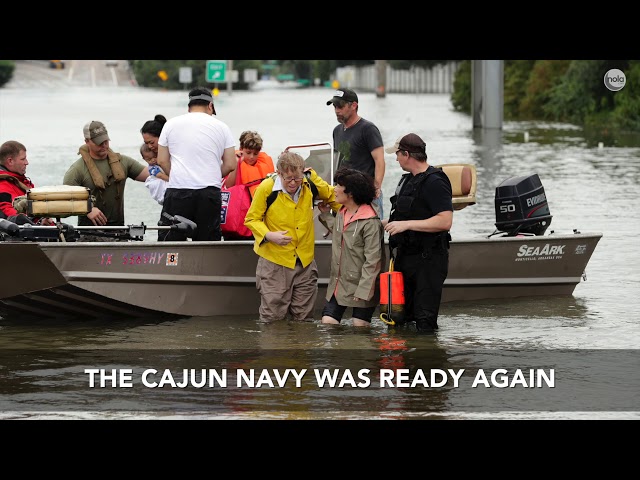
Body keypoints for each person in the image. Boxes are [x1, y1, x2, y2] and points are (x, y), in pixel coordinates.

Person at [244, 151, 340, 323]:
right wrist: (269, 235)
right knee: (272, 316)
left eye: (298, 178)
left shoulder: (310, 182)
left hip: (305, 261)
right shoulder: (266, 188)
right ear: (279, 173)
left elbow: (335, 197)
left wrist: (354, 214)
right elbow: (251, 219)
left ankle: (300, 348)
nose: (294, 183)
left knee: (304, 316)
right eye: (288, 179)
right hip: (275, 261)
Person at [382, 133, 453, 333]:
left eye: (397, 154)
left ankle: (427, 358)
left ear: (406, 154)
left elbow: (445, 221)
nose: (395, 158)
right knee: (400, 320)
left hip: (428, 261)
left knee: (425, 322)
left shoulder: (435, 181)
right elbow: (405, 216)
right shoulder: (406, 181)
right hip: (405, 259)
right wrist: (381, 224)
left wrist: (406, 225)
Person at [156, 87, 236, 241]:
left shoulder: (171, 124)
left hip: (178, 191)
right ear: (210, 106)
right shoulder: (222, 127)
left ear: (188, 107)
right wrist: (212, 175)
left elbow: (161, 160)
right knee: (207, 244)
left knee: (171, 241)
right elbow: (231, 164)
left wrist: (177, 175)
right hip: (209, 193)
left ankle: (171, 265)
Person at [318, 167, 384, 327]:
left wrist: (364, 290)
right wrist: (326, 215)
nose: (334, 189)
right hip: (339, 283)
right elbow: (342, 234)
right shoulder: (342, 212)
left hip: (363, 284)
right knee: (328, 323)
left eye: (339, 185)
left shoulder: (371, 222)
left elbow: (373, 260)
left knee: (360, 327)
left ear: (351, 193)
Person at [63, 120, 149, 233]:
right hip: (88, 234)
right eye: (99, 142)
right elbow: (64, 202)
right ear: (87, 141)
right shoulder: (77, 170)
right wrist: (87, 209)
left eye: (106, 141)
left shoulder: (123, 162)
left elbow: (150, 175)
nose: (104, 145)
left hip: (118, 232)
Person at [326, 88, 386, 219]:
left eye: (340, 106)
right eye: (335, 106)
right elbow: (336, 161)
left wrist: (376, 187)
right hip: (344, 194)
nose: (337, 110)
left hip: (365, 194)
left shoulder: (368, 129)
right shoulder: (337, 131)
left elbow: (379, 160)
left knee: (371, 234)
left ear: (353, 105)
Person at [0, 140, 54, 225]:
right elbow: (8, 213)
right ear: (10, 161)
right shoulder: (2, 186)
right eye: (23, 159)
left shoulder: (22, 182)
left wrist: (47, 223)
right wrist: (37, 224)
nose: (27, 162)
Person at [223, 130, 275, 197]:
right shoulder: (234, 161)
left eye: (255, 154)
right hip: (240, 202)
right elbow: (228, 186)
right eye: (248, 153)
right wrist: (236, 164)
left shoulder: (264, 162)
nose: (251, 157)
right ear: (241, 149)